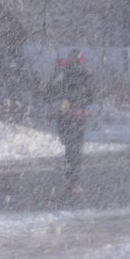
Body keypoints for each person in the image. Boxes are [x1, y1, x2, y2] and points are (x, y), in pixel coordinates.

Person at [45, 49, 94, 194]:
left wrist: (63, 101)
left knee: (71, 148)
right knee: (75, 149)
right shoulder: (83, 76)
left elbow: (48, 95)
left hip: (66, 118)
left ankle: (72, 177)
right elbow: (91, 97)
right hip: (76, 118)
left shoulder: (63, 75)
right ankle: (73, 179)